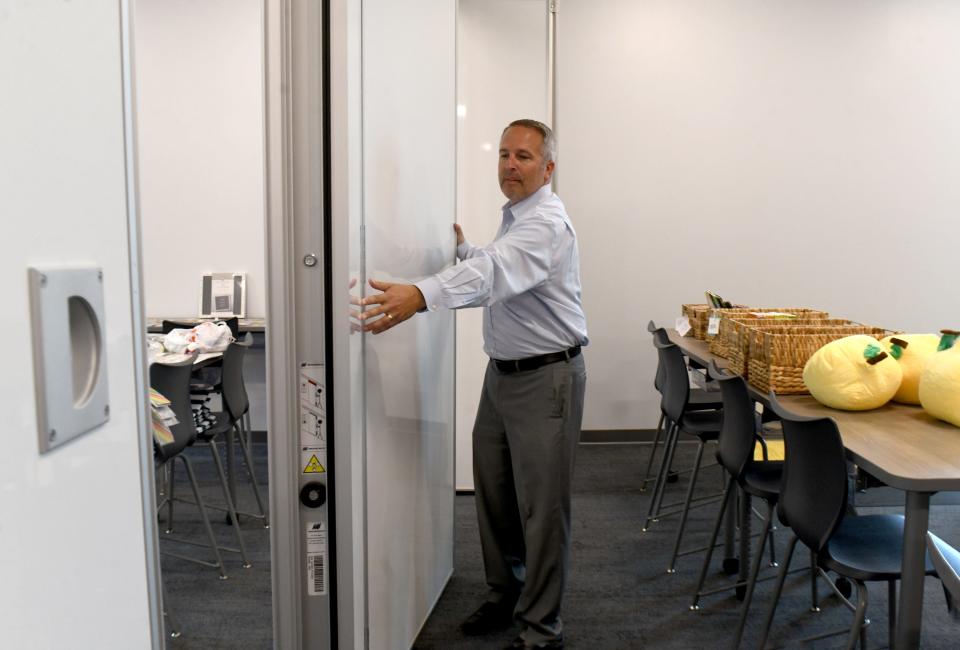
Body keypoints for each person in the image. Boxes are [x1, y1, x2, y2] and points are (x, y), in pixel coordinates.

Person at [360, 119, 587, 649]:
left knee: (542, 507)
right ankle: (505, 593)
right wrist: (464, 252)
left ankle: (541, 628)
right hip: (503, 375)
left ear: (548, 167)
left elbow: (497, 275)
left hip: (547, 376)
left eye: (524, 157)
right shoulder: (517, 217)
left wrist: (420, 294)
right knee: (495, 492)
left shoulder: (546, 222)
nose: (510, 164)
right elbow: (494, 265)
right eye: (505, 154)